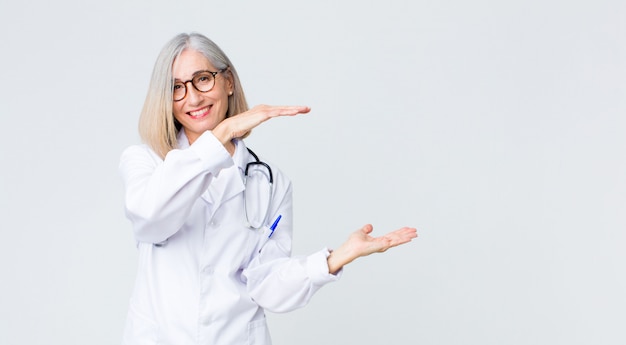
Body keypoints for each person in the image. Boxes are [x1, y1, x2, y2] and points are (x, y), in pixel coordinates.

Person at [118, 32, 417, 345]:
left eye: (203, 79)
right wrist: (221, 135)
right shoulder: (146, 161)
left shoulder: (270, 182)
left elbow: (267, 285)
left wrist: (334, 259)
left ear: (228, 82)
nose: (192, 98)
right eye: (176, 88)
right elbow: (150, 220)